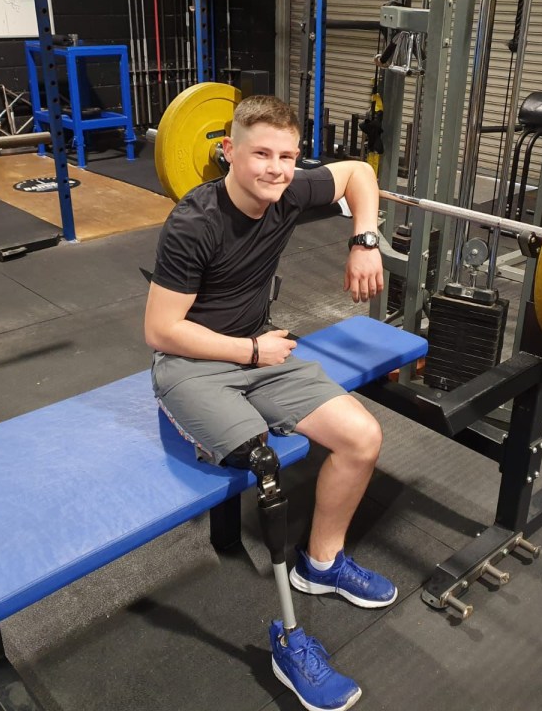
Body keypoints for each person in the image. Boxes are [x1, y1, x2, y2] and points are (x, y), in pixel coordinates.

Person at [144, 95, 394, 711]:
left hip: (262, 354)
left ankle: (322, 562)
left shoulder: (290, 191)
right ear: (228, 150)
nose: (277, 169)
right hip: (194, 367)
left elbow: (359, 173)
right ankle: (289, 637)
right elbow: (160, 330)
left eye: (287, 156)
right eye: (262, 154)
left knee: (362, 438)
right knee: (267, 466)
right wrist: (250, 353)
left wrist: (364, 239)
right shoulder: (194, 223)